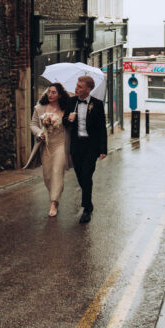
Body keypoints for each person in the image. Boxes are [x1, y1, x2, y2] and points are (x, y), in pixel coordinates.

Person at [25, 83, 71, 217]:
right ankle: (55, 194)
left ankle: (54, 202)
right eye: (49, 92)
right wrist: (39, 133)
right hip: (46, 146)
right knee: (47, 176)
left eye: (53, 92)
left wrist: (71, 119)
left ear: (60, 95)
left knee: (57, 170)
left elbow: (71, 125)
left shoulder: (66, 108)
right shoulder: (39, 108)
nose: (50, 95)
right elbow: (32, 124)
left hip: (61, 144)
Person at [65, 75, 107, 224]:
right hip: (76, 146)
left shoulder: (97, 104)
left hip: (91, 146)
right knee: (80, 176)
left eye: (80, 87)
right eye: (76, 85)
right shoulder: (71, 102)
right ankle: (89, 203)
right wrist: (68, 119)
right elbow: (64, 122)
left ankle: (86, 209)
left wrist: (103, 149)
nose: (76, 88)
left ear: (88, 89)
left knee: (86, 175)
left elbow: (102, 128)